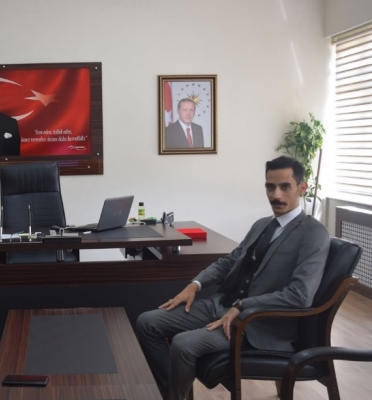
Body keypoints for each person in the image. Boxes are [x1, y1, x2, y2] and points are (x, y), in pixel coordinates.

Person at [135, 156, 330, 400]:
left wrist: (243, 305)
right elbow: (230, 262)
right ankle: (171, 394)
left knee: (183, 344)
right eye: (270, 187)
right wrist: (195, 285)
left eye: (284, 187)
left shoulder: (314, 234)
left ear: (302, 187)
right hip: (221, 305)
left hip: (257, 324)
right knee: (147, 322)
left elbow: (300, 295)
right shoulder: (262, 225)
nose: (276, 195)